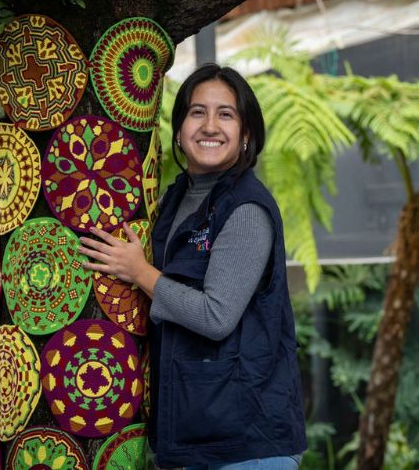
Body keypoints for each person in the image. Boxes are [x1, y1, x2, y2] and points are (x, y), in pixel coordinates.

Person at [79, 63, 307, 469]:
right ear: (180, 131)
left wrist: (140, 272)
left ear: (246, 134)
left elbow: (216, 316)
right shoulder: (176, 198)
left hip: (247, 443)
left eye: (226, 114)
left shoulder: (247, 209)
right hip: (194, 431)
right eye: (197, 112)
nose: (210, 126)